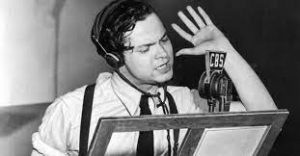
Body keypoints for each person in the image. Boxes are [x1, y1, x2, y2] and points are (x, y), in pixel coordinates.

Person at [31, 0, 277, 155]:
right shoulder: (71, 111)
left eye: (163, 40)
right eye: (145, 48)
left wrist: (227, 54)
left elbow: (266, 115)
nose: (162, 54)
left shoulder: (184, 102)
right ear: (114, 59)